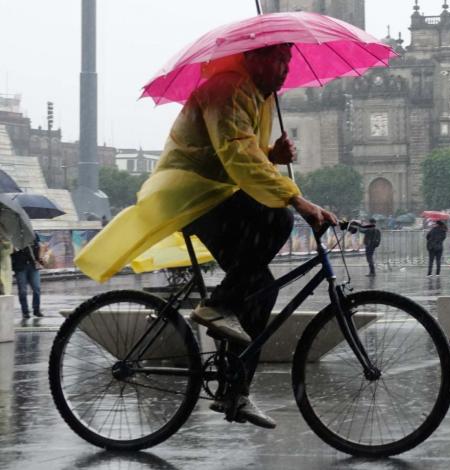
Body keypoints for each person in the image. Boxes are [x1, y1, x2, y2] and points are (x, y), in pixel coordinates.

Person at [75, 43, 337, 430]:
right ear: (252, 58)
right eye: (276, 59)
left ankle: (235, 390)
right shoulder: (227, 89)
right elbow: (237, 158)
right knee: (278, 220)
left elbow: (243, 152)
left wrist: (271, 155)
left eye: (288, 60)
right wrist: (298, 200)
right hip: (188, 192)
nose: (285, 68)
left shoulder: (258, 97)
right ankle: (215, 307)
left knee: (259, 287)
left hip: (214, 192)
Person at [11, 235, 42, 319]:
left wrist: (39, 258)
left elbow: (38, 246)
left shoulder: (33, 234)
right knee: (22, 291)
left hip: (33, 265)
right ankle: (25, 312)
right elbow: (11, 251)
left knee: (37, 288)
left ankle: (36, 310)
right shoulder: (14, 236)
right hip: (20, 267)